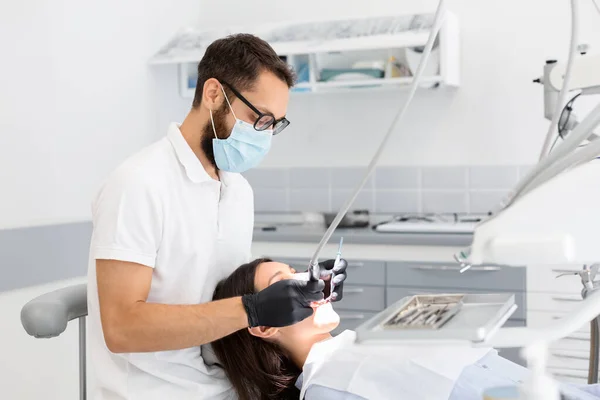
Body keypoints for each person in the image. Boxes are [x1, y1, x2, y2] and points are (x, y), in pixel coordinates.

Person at [86, 33, 348, 400]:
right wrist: (252, 309)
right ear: (213, 94)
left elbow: (226, 294)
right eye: (260, 119)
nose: (266, 135)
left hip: (226, 388)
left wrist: (304, 289)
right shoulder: (139, 184)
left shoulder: (238, 190)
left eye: (276, 125)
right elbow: (121, 328)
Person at [211, 258, 600, 400]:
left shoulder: (367, 341)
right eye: (285, 280)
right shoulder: (328, 388)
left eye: (298, 271)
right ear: (262, 325)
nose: (306, 280)